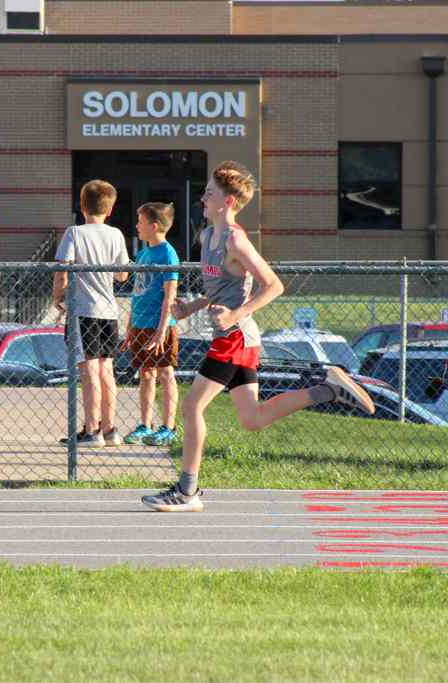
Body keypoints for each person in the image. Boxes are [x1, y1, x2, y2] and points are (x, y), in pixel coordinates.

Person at [141, 161, 374, 512]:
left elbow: (274, 285)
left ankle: (187, 491)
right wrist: (191, 308)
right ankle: (328, 389)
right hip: (234, 337)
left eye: (210, 193)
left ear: (228, 202)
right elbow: (220, 291)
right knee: (252, 419)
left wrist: (235, 314)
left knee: (191, 407)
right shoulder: (207, 237)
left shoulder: (235, 239)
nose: (203, 197)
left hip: (236, 335)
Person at [53, 180, 130, 446]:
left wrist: (58, 297)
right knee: (107, 368)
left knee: (89, 371)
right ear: (110, 209)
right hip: (109, 311)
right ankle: (110, 429)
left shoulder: (75, 232)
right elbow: (122, 275)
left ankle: (92, 429)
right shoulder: (116, 234)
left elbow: (62, 268)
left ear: (83, 205)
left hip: (83, 311)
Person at [122, 202, 180, 447]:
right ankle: (145, 425)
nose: (137, 226)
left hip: (160, 325)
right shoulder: (143, 253)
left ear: (154, 226)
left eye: (140, 221)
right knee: (145, 375)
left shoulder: (167, 253)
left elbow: (170, 294)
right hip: (139, 323)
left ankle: (168, 427)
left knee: (166, 373)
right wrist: (129, 325)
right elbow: (137, 293)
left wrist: (161, 329)